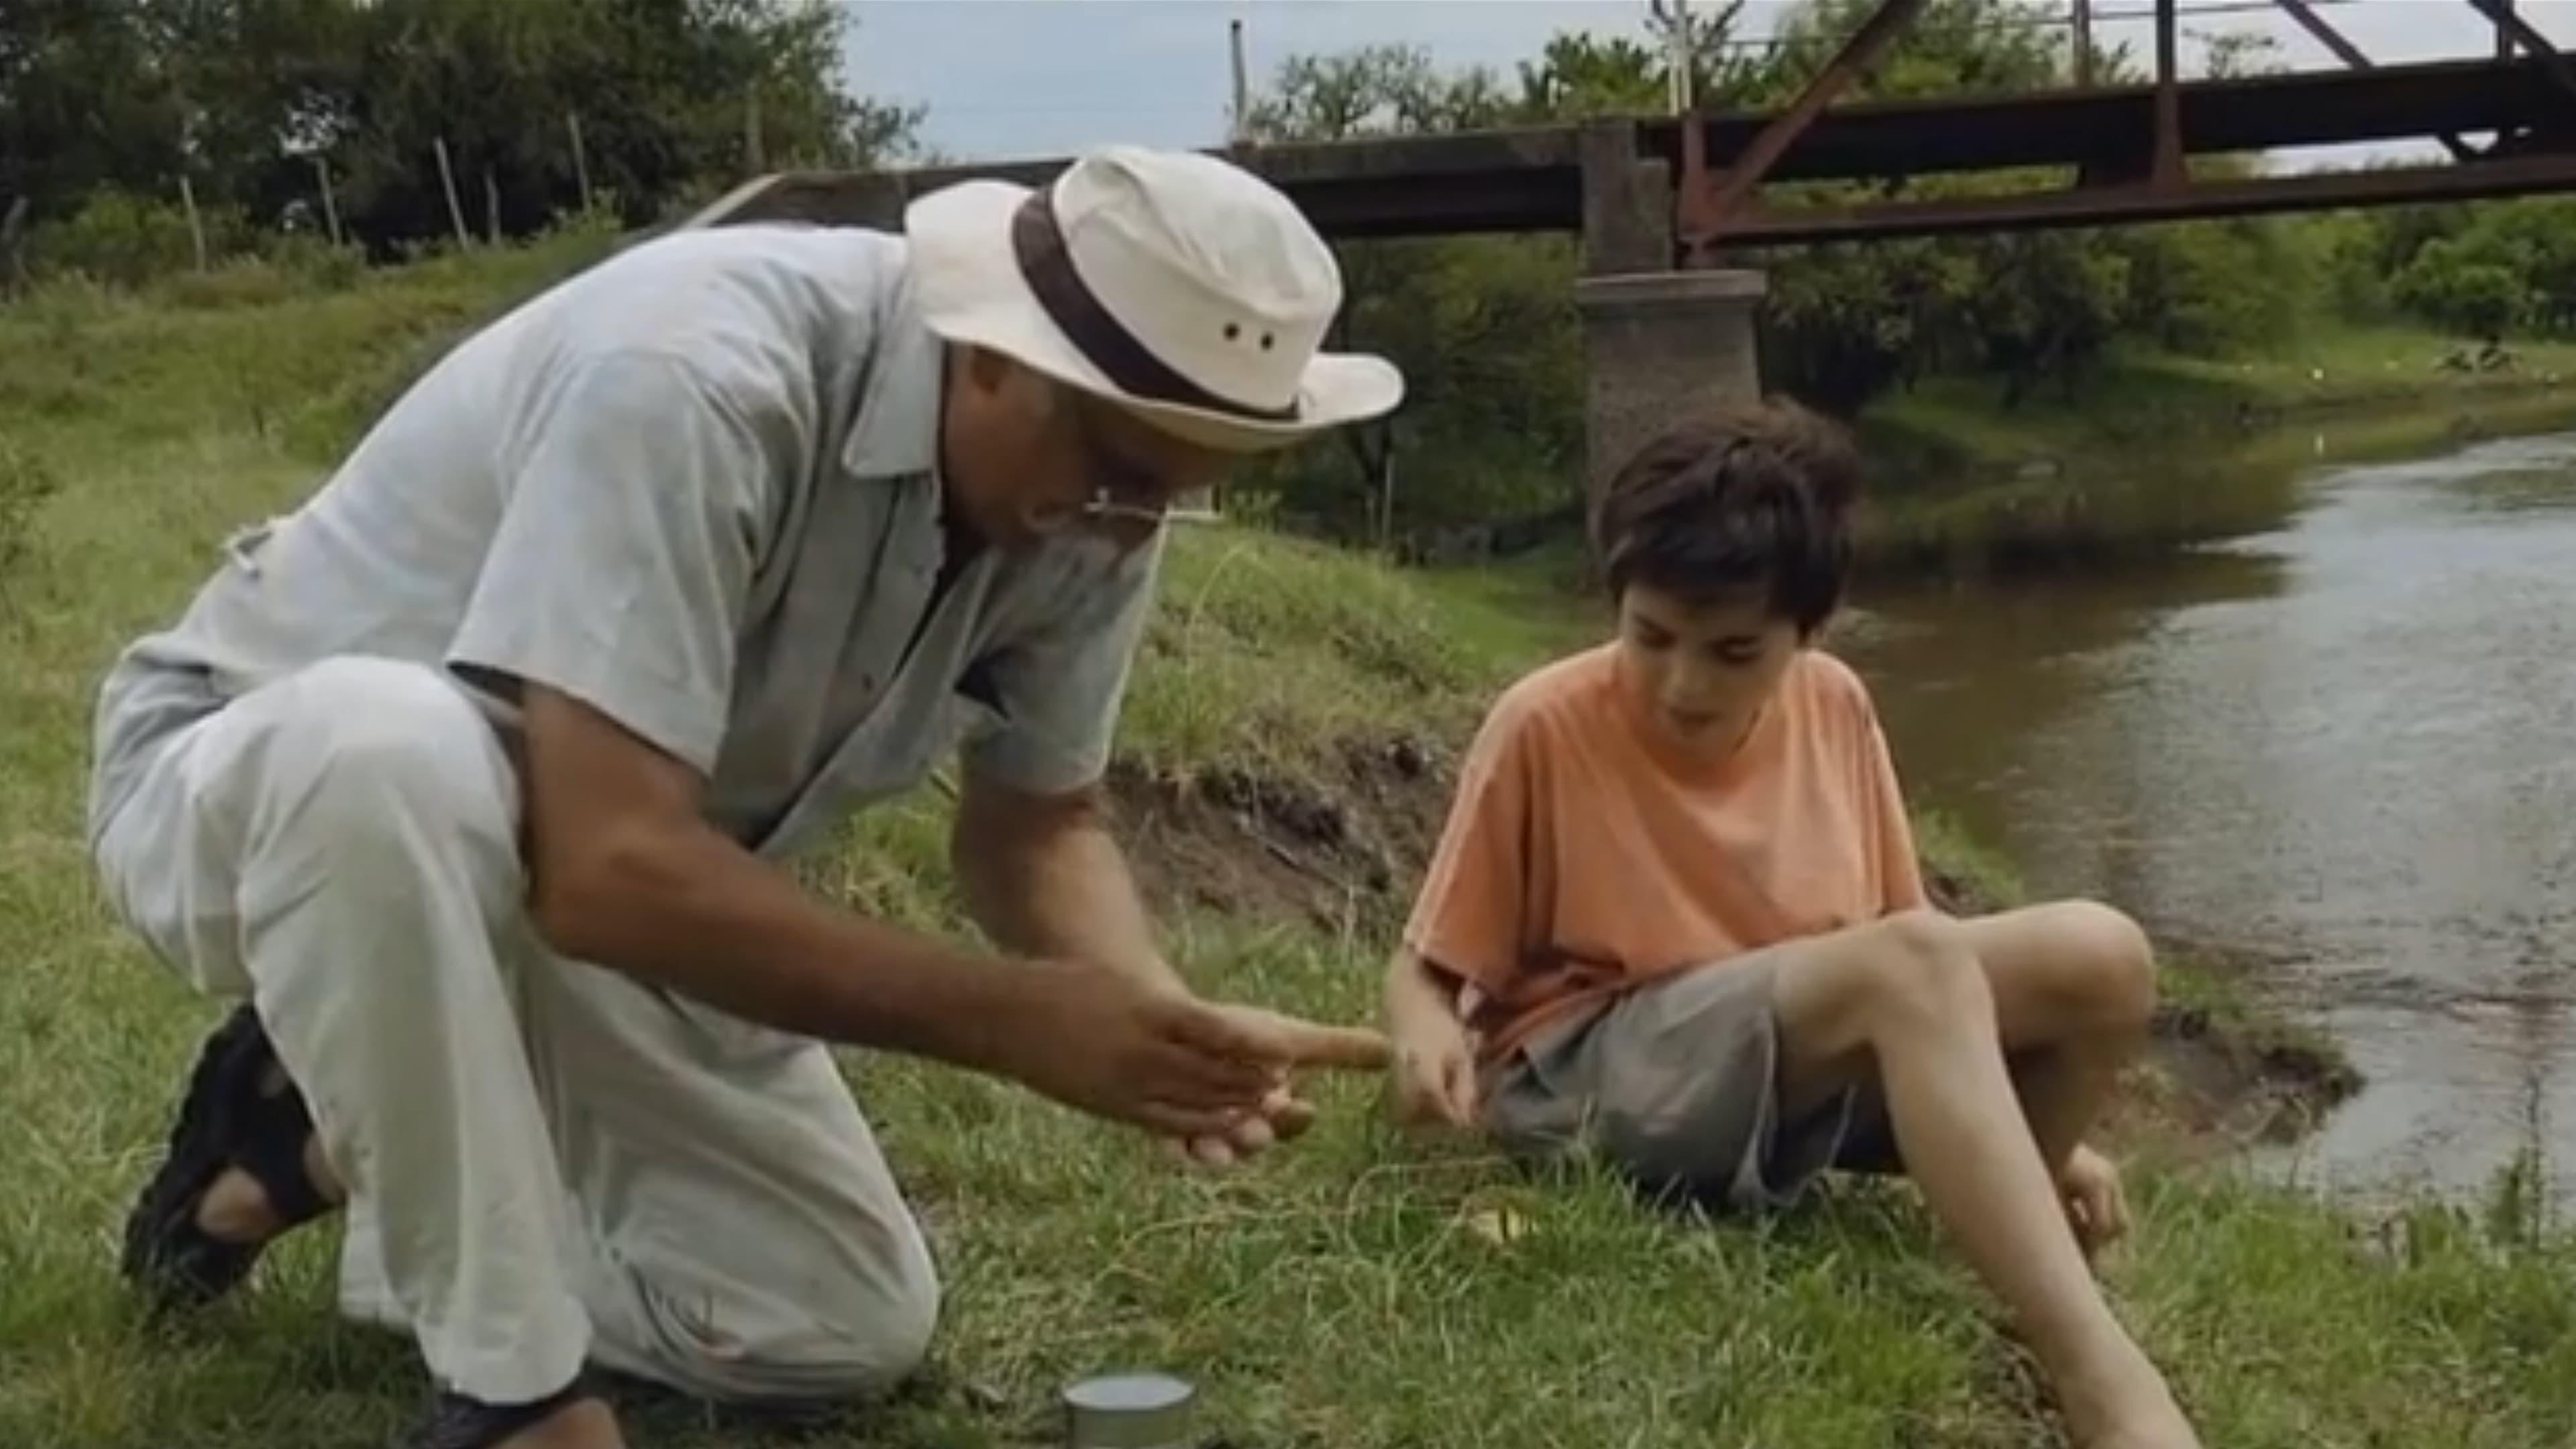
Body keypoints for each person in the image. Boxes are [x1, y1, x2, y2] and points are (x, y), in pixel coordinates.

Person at [87, 145, 1401, 1449]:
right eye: (1122, 474)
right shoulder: (697, 377)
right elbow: (609, 864)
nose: (1126, 531)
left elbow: (1036, 822)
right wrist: (1015, 1022)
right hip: (278, 799)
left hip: (591, 880)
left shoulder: (1097, 504)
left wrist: (1154, 1022)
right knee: (391, 743)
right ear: (998, 353)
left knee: (827, 1324)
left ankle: (312, 1144)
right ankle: (511, 1391)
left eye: (1176, 495)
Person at [1379, 399, 2202, 1449]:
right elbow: (1424, 972)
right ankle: (2100, 1379)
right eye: (1651, 637)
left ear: (1809, 633)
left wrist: (2038, 1124)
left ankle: (2012, 1215)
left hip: (1793, 1063)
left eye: (1733, 651)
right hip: (1600, 1073)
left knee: (2104, 956)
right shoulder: (1543, 723)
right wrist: (1425, 1028)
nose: (1682, 684)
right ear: (1616, 606)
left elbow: (1915, 943)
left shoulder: (1838, 702)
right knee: (1907, 968)